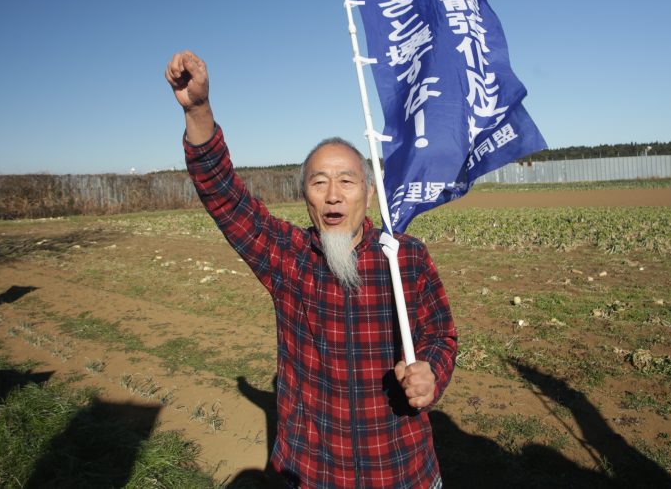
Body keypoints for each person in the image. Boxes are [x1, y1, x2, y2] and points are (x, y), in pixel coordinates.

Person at [165, 50, 457, 489]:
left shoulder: (405, 257)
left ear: (368, 193)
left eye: (347, 181)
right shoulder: (289, 257)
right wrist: (198, 110)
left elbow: (440, 333)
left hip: (401, 469)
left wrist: (432, 370)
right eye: (319, 182)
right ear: (305, 195)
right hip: (313, 472)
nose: (333, 195)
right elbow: (226, 198)